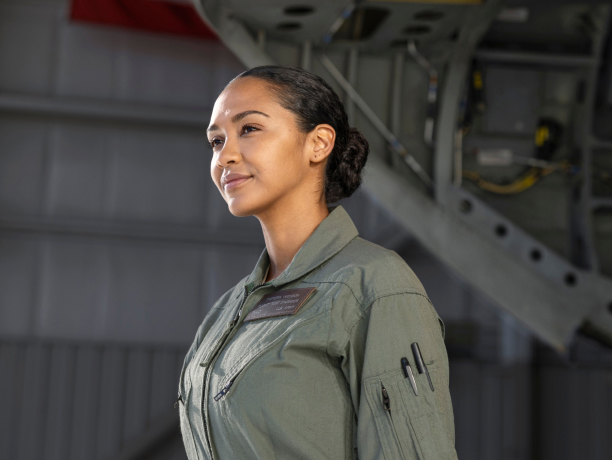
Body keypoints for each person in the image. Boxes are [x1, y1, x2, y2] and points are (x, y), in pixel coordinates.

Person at [177, 65, 458, 460]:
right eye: (216, 141)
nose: (226, 156)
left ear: (319, 143)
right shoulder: (227, 311)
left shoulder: (374, 286)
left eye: (250, 129)